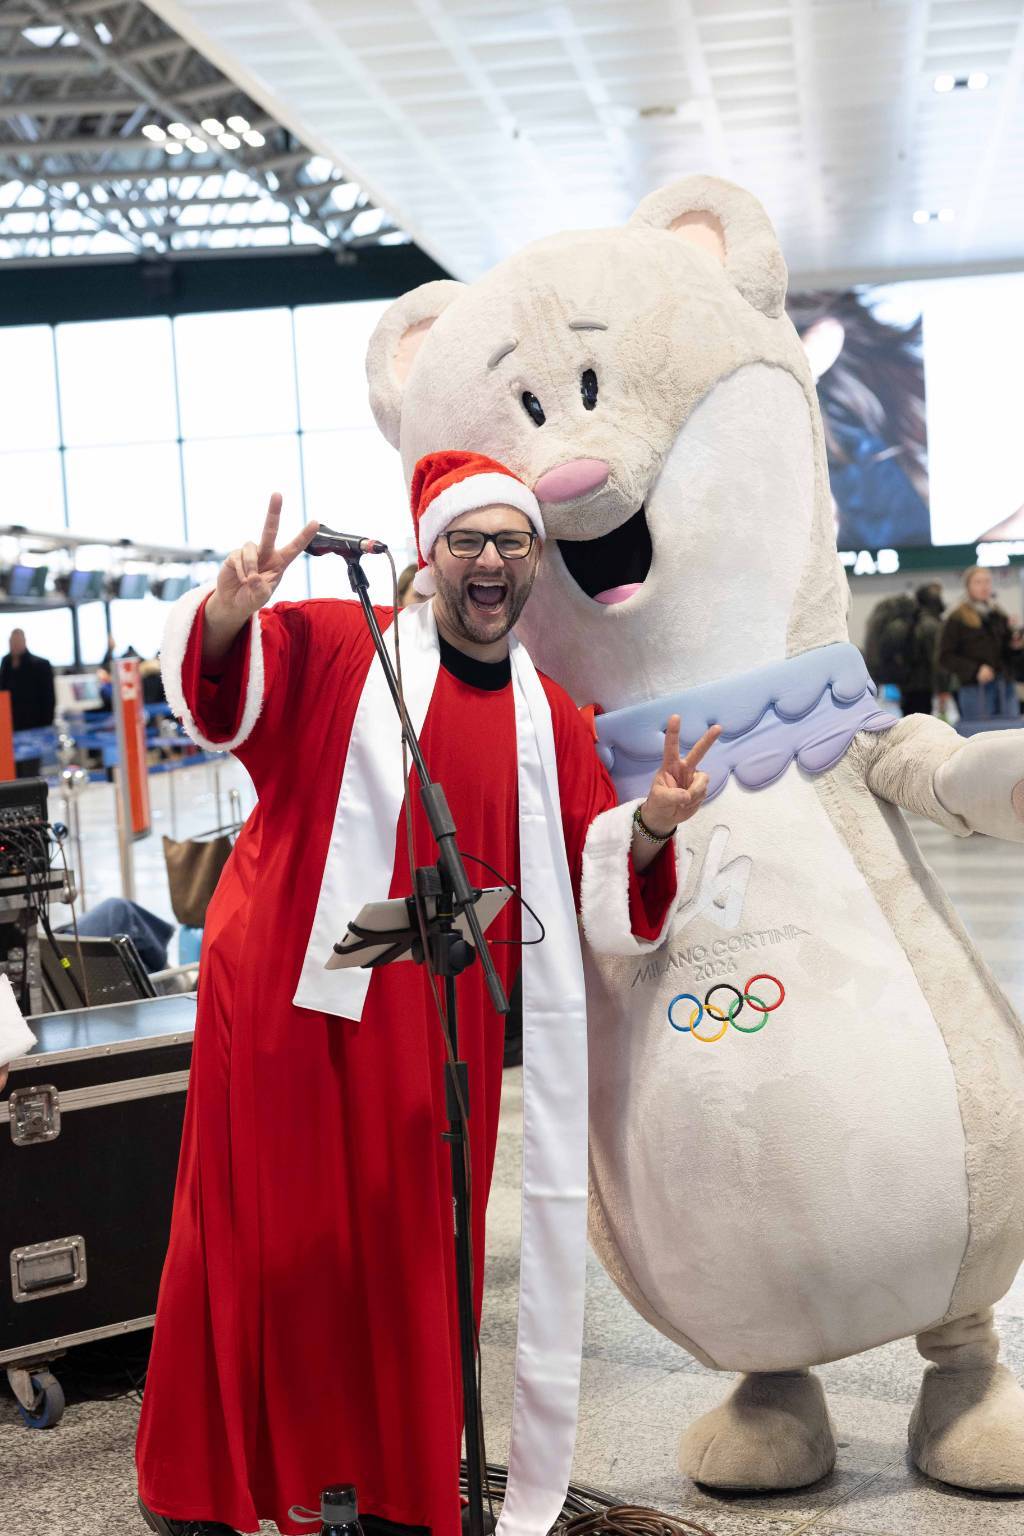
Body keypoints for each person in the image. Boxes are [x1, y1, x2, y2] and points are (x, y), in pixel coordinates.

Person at [137, 450, 716, 1536]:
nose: (490, 561)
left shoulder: (554, 719)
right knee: (270, 1250)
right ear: (428, 556)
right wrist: (224, 613)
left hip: (436, 1027)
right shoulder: (328, 648)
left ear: (534, 564)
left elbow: (598, 883)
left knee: (408, 1256)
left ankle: (398, 1483)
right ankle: (217, 1485)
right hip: (287, 1004)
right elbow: (223, 702)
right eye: (468, 541)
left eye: (511, 543)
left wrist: (650, 828)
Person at [938, 565, 1023, 721]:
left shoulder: (999, 614)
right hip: (974, 689)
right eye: (978, 582)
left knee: (1010, 736)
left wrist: (1015, 646)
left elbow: (1007, 653)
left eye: (987, 581)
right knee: (981, 739)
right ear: (968, 586)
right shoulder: (956, 618)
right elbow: (945, 657)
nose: (984, 586)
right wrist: (975, 670)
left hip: (1005, 686)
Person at [898, 583, 952, 718]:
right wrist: (943, 689)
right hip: (922, 688)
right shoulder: (931, 624)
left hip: (908, 686)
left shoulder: (914, 620)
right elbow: (937, 660)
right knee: (921, 728)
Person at [0, 628, 56, 730]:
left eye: (18, 641)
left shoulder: (41, 664)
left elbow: (49, 697)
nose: (15, 644)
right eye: (12, 641)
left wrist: (47, 724)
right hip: (10, 719)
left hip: (34, 720)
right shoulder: (5, 662)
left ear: (24, 642)